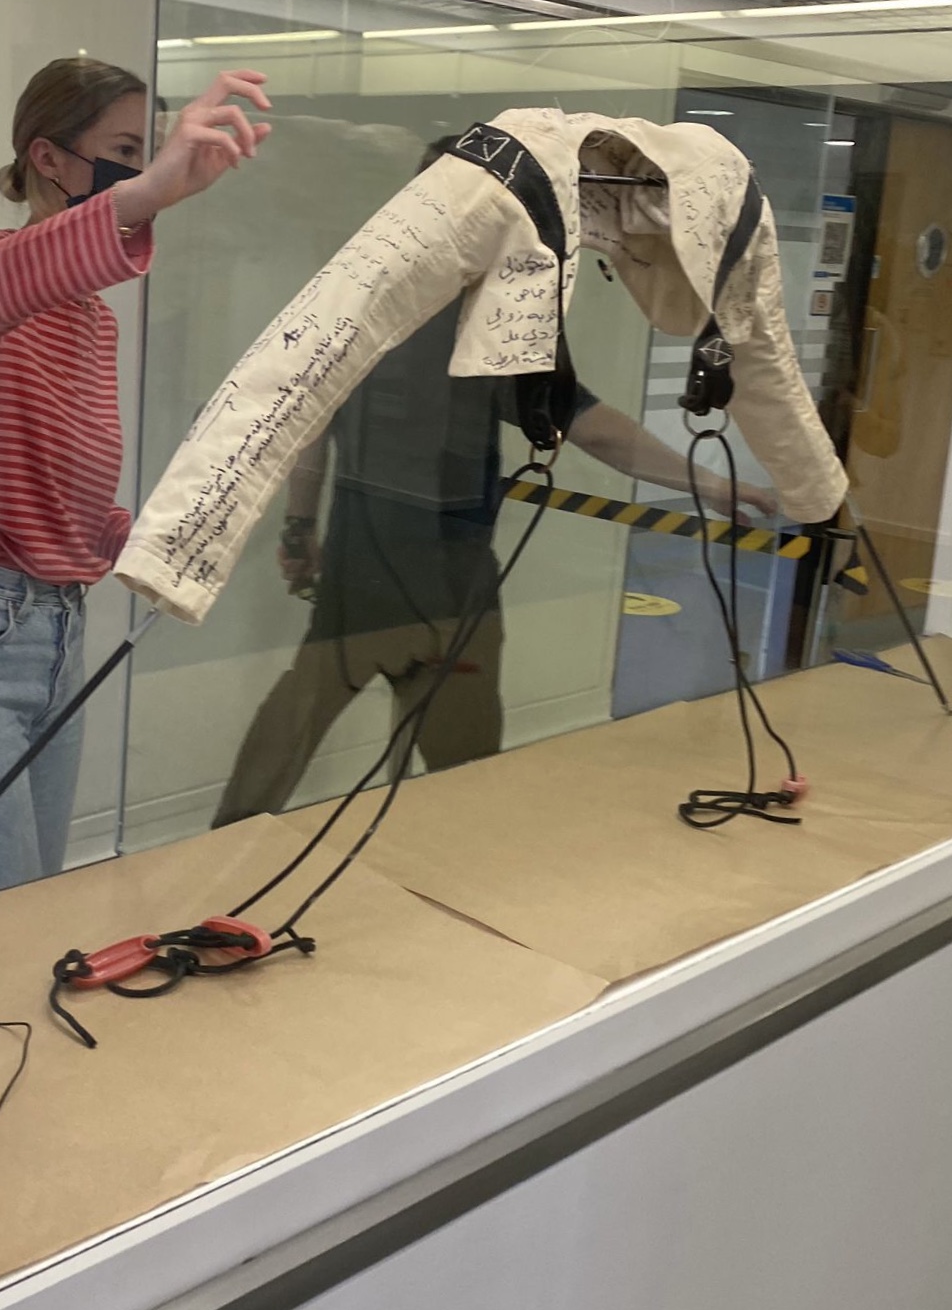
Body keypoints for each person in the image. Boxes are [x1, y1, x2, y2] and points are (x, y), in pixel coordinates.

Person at [212, 135, 776, 829]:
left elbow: (314, 431)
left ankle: (222, 857)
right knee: (450, 767)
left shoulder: (387, 297)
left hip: (385, 567)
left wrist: (302, 531)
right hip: (422, 575)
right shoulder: (458, 310)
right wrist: (708, 483)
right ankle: (420, 876)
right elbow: (585, 423)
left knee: (324, 724)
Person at [0, 57, 271, 906]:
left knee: (23, 905)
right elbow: (10, 276)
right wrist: (149, 195)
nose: (142, 167)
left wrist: (165, 534)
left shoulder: (90, 319)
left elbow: (70, 502)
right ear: (47, 158)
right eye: (125, 149)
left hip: (55, 624)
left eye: (148, 150)